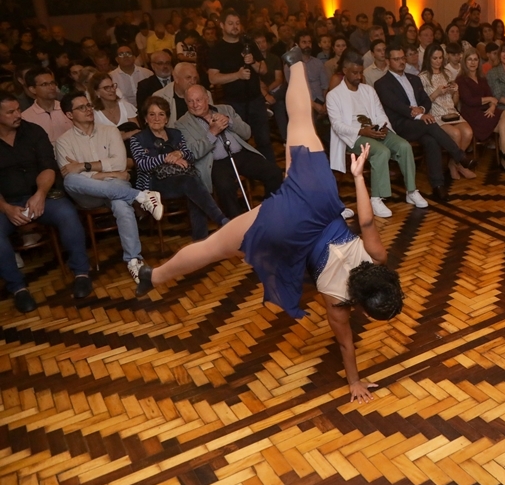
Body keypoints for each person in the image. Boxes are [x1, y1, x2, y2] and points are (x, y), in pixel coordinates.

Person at [136, 59, 403, 403]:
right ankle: (154, 277)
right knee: (215, 247)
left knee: (301, 119)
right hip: (286, 227)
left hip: (317, 198)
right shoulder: (338, 304)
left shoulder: (377, 257)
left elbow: (365, 221)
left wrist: (357, 177)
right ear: (362, 308)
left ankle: (296, 64)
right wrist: (354, 382)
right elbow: (345, 344)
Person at [55, 92, 163, 282]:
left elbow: (120, 163)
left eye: (89, 105)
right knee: (70, 180)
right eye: (81, 107)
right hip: (89, 196)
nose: (88, 110)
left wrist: (84, 166)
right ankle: (140, 196)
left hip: (116, 186)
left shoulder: (110, 131)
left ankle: (134, 261)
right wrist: (106, 173)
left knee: (121, 205)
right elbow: (70, 174)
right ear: (69, 114)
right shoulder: (63, 141)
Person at [0, 92, 92, 312]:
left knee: (67, 213)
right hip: (5, 203)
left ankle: (81, 273)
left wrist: (40, 194)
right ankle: (18, 288)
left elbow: (48, 167)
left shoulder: (33, 131)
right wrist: (6, 208)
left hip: (40, 195)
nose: (18, 114)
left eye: (18, 109)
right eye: (10, 112)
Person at [327, 51, 428, 218]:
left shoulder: (368, 90)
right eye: (355, 73)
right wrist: (362, 131)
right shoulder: (334, 95)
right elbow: (338, 126)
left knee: (403, 146)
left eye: (360, 72)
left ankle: (411, 191)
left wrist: (383, 127)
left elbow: (380, 114)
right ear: (345, 71)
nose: (359, 76)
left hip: (375, 130)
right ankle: (376, 198)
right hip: (353, 136)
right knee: (381, 152)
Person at [373, 43, 478, 203]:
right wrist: (418, 115)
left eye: (402, 58)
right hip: (401, 125)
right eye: (396, 59)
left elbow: (426, 101)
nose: (401, 62)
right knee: (429, 124)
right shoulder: (382, 83)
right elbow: (396, 105)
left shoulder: (414, 79)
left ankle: (438, 186)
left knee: (431, 141)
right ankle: (459, 156)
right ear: (388, 61)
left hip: (421, 123)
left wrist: (422, 110)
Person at [129, 96, 229, 241]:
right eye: (152, 114)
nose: (156, 118)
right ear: (145, 118)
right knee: (192, 184)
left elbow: (190, 155)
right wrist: (166, 157)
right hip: (153, 185)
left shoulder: (175, 134)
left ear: (166, 119)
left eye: (161, 114)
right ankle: (219, 221)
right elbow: (142, 164)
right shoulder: (137, 139)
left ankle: (201, 240)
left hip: (181, 180)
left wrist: (180, 153)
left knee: (193, 187)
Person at [175, 84, 282, 219]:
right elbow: (193, 152)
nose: (195, 105)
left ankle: (270, 210)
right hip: (214, 162)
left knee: (274, 172)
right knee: (225, 186)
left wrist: (230, 122)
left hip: (240, 154)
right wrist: (212, 133)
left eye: (198, 100)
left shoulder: (226, 109)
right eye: (190, 101)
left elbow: (247, 133)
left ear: (207, 98)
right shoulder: (182, 124)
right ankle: (237, 223)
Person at [206, 10, 274, 163]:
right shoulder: (217, 49)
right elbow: (213, 77)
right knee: (240, 142)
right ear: (222, 25)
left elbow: (263, 70)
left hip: (256, 99)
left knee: (264, 139)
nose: (235, 27)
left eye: (237, 23)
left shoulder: (248, 44)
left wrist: (253, 62)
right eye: (231, 23)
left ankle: (271, 172)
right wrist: (237, 75)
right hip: (234, 103)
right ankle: (245, 172)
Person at [420, 44, 475, 179]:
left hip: (451, 112)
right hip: (435, 113)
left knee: (468, 132)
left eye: (440, 58)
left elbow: (454, 102)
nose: (438, 61)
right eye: (435, 58)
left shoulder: (447, 73)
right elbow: (422, 103)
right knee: (456, 134)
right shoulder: (423, 77)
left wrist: (455, 91)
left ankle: (454, 163)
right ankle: (459, 165)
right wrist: (437, 92)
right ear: (428, 58)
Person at [456, 48, 505, 174]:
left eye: (475, 59)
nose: (473, 62)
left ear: (479, 62)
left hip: (486, 111)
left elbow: (492, 97)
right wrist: (489, 100)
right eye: (470, 60)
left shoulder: (482, 78)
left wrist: (492, 107)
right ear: (464, 62)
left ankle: (504, 153)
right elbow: (469, 101)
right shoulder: (461, 79)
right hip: (472, 114)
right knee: (503, 125)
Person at [21, 68, 73, 143]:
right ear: (33, 89)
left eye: (53, 83)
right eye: (44, 84)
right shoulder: (25, 118)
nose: (52, 87)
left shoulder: (69, 108)